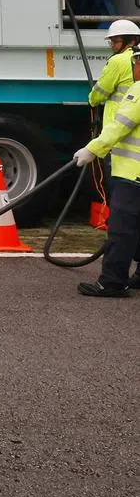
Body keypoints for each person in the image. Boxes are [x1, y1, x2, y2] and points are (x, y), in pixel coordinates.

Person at [74, 44, 140, 297]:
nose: (133, 68)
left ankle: (112, 282)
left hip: (132, 174)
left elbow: (118, 127)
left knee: (122, 230)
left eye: (135, 63)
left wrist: (92, 149)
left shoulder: (139, 90)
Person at [88, 19, 140, 129]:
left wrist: (92, 99)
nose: (112, 45)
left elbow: (100, 91)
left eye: (116, 41)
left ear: (131, 42)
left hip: (118, 122)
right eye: (111, 42)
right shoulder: (136, 57)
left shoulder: (117, 60)